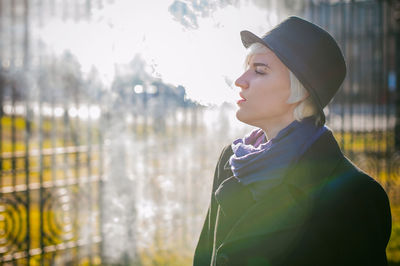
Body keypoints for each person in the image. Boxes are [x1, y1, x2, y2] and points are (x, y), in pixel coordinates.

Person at [193, 16, 392, 266]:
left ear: (302, 90)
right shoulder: (232, 160)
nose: (240, 81)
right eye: (246, 68)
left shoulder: (355, 194)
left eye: (259, 70)